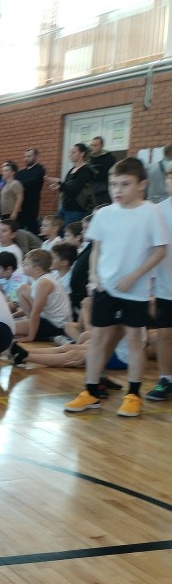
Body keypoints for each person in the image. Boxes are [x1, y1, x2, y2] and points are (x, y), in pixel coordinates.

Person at [65, 158, 169, 417]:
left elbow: (159, 251)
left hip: (135, 290)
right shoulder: (103, 214)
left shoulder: (151, 212)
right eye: (113, 184)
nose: (117, 190)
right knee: (98, 339)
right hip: (106, 288)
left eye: (125, 184)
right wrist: (94, 275)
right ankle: (90, 391)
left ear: (141, 184)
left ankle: (133, 394)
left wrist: (135, 276)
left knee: (135, 340)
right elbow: (96, 250)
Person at [147, 164, 172, 400]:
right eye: (170, 177)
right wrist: (151, 286)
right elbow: (151, 249)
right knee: (164, 334)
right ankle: (166, 379)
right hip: (166, 286)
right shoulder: (158, 211)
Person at [13, 249, 72, 342]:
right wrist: (13, 316)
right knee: (22, 289)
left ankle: (36, 333)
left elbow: (36, 312)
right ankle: (31, 327)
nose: (22, 265)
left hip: (57, 325)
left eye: (26, 264)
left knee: (9, 327)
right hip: (46, 318)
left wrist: (30, 337)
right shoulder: (39, 279)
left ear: (37, 269)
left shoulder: (44, 283)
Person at [47, 143, 94, 225]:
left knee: (70, 230)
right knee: (56, 228)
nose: (70, 155)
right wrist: (58, 186)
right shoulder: (71, 170)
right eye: (70, 153)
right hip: (65, 206)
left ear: (82, 154)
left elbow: (74, 189)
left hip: (76, 209)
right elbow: (67, 187)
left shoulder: (85, 171)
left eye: (73, 152)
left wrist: (59, 182)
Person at [15, 148, 46, 233]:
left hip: (32, 204)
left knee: (31, 227)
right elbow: (15, 182)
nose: (26, 158)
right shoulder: (21, 172)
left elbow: (32, 182)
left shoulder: (40, 169)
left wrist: (19, 184)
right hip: (20, 204)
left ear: (36, 156)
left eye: (29, 156)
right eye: (25, 156)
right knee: (20, 227)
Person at [87, 136, 116, 206]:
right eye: (91, 145)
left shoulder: (109, 158)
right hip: (90, 193)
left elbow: (106, 174)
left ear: (102, 146)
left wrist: (93, 171)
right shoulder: (89, 160)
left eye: (95, 145)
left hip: (103, 192)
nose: (92, 147)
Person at [0, 161, 24, 226]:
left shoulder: (15, 183)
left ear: (12, 173)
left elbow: (19, 198)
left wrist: (14, 213)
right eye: (3, 171)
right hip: (4, 213)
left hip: (12, 213)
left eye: (6, 171)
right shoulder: (4, 185)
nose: (3, 172)